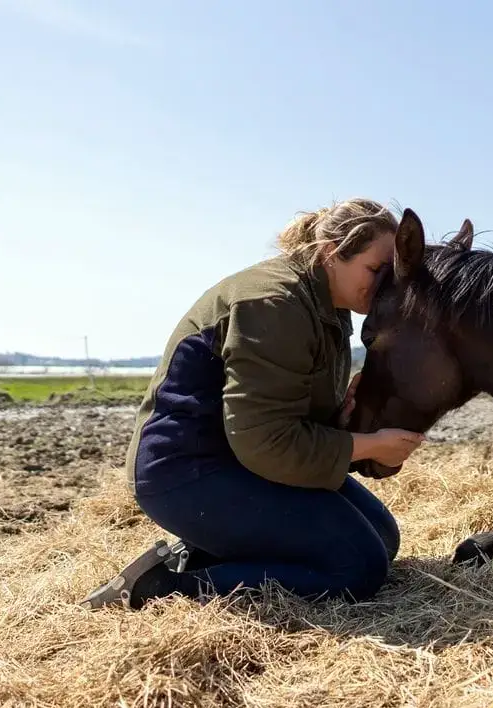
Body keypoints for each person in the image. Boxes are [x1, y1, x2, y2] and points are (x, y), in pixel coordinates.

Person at [80, 198, 426, 611]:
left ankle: (208, 552)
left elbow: (284, 414)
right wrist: (368, 445)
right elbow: (266, 440)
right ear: (332, 253)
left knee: (382, 538)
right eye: (375, 269)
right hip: (187, 472)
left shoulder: (327, 305)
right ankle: (154, 589)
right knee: (356, 568)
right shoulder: (273, 301)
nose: (385, 284)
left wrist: (344, 418)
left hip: (241, 461)